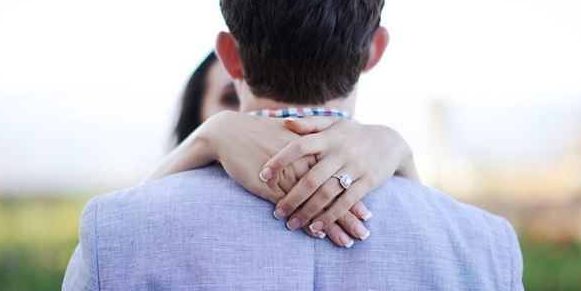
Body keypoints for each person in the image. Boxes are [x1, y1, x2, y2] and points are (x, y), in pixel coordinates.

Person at [37, 0, 533, 291]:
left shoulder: (114, 234)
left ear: (229, 55)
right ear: (374, 50)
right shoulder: (487, 248)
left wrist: (206, 137)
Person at [153, 50, 422, 247]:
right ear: (198, 113)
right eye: (230, 99)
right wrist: (211, 135)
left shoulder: (382, 157)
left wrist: (402, 153)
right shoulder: (168, 205)